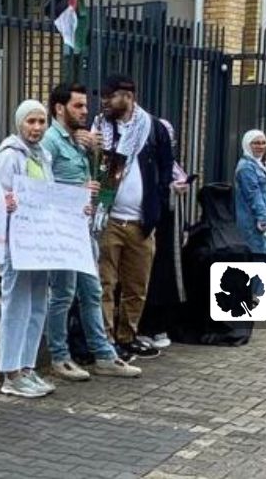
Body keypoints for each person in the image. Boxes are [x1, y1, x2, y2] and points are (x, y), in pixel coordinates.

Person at [40, 84, 140, 383]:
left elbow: (96, 177)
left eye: (84, 106)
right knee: (62, 294)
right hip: (61, 230)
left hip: (82, 229)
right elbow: (42, 187)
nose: (85, 111)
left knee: (92, 291)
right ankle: (59, 356)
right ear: (59, 108)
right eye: (78, 106)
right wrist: (77, 191)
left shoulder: (77, 141)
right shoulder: (50, 141)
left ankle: (104, 355)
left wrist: (93, 152)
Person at [93, 77, 171, 362]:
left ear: (127, 97)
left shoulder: (153, 128)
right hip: (109, 218)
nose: (104, 102)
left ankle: (128, 336)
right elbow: (93, 167)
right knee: (106, 283)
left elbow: (166, 169)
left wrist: (156, 205)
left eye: (109, 96)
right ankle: (107, 339)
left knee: (137, 285)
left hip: (141, 222)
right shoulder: (100, 126)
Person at [0, 99, 58, 397]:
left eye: (41, 121)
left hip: (39, 243)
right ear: (19, 123)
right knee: (16, 305)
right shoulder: (10, 155)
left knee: (36, 305)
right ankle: (10, 372)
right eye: (30, 122)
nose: (35, 128)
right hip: (18, 242)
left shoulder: (43, 155)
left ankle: (27, 366)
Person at [138, 117, 191, 351]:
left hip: (169, 229)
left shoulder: (171, 164)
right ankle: (144, 328)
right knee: (146, 277)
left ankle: (159, 325)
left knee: (164, 277)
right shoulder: (146, 162)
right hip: (149, 228)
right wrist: (170, 190)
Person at [234, 130, 266, 265]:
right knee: (265, 265)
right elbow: (254, 195)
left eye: (263, 143)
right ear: (248, 145)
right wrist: (263, 218)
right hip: (255, 225)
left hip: (265, 223)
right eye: (256, 143)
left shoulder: (260, 165)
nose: (261, 146)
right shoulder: (246, 168)